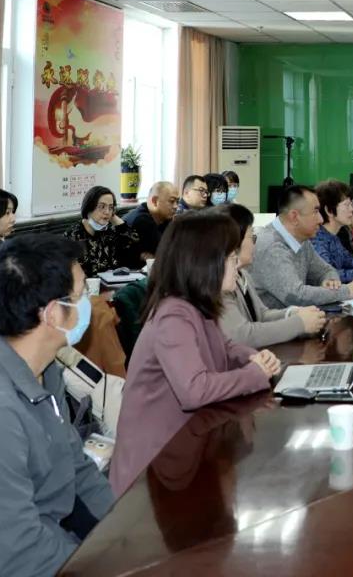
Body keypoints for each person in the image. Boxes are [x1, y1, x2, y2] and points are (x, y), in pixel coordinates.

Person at [0, 235, 114, 575]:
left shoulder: (42, 368)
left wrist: (125, 535)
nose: (90, 302)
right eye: (82, 294)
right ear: (53, 314)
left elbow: (76, 467)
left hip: (44, 532)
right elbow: (16, 554)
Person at [110, 211, 282, 497]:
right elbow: (194, 390)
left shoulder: (197, 304)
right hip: (156, 461)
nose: (238, 264)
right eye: (231, 258)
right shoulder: (174, 315)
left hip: (186, 443)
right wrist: (254, 375)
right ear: (205, 263)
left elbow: (224, 347)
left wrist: (251, 358)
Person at [215, 203, 326, 348]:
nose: (254, 243)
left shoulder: (243, 274)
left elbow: (261, 315)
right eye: (252, 236)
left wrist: (293, 313)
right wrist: (299, 323)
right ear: (235, 241)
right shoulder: (220, 283)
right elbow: (244, 335)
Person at [251, 186, 353, 309]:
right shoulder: (272, 247)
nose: (321, 219)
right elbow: (296, 296)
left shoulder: (301, 240)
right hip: (279, 319)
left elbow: (326, 270)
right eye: (315, 211)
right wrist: (346, 291)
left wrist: (331, 281)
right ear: (294, 217)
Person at [64, 186, 141, 276]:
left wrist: (113, 217)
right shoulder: (73, 235)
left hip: (114, 282)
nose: (107, 212)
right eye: (101, 207)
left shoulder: (109, 231)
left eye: (110, 207)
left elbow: (135, 242)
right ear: (89, 207)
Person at [124, 181, 179, 261]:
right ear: (155, 201)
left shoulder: (164, 218)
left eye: (177, 201)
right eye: (172, 201)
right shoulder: (142, 220)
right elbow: (166, 254)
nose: (176, 206)